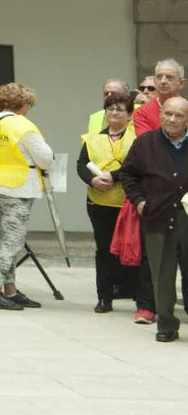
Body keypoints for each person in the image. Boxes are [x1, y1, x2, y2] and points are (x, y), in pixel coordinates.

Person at [0, 83, 54, 311]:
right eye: (28, 104)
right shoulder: (23, 126)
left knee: (10, 236)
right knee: (13, 241)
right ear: (22, 104)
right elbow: (45, 158)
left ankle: (10, 289)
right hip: (18, 187)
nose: (28, 109)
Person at [119, 96, 188, 342]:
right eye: (168, 113)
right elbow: (128, 174)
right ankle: (167, 325)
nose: (172, 119)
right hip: (157, 217)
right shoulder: (145, 143)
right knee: (161, 274)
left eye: (179, 115)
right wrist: (138, 201)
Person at [79, 90, 153, 316]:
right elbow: (81, 164)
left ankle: (140, 298)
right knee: (104, 250)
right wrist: (92, 179)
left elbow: (138, 165)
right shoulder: (92, 139)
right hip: (99, 201)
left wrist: (114, 176)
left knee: (135, 248)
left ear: (130, 114)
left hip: (128, 202)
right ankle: (104, 297)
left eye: (119, 109)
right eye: (110, 109)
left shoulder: (138, 138)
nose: (114, 113)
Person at [134, 59, 185, 135]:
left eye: (169, 77)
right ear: (154, 81)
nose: (163, 81)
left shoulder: (186, 109)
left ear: (181, 83)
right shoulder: (142, 112)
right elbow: (146, 143)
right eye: (159, 77)